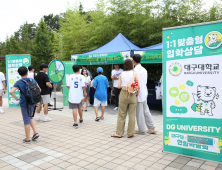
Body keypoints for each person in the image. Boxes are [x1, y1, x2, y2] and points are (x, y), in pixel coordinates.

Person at [10, 66, 40, 143]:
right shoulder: (32, 80)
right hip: (33, 101)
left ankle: (27, 139)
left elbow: (11, 92)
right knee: (30, 116)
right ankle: (35, 132)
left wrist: (17, 99)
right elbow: (39, 89)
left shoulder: (19, 82)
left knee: (26, 120)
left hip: (24, 103)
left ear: (19, 74)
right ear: (27, 72)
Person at [111, 59, 140, 138]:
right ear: (131, 65)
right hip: (132, 94)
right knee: (132, 114)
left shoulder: (121, 74)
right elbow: (138, 86)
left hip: (123, 93)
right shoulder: (134, 74)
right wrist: (137, 95)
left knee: (121, 114)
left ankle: (119, 133)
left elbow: (119, 86)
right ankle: (130, 133)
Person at [132, 54, 156, 134]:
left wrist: (135, 93)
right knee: (146, 110)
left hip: (139, 92)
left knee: (139, 112)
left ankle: (141, 130)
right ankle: (151, 126)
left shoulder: (135, 70)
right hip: (144, 91)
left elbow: (136, 83)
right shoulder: (144, 69)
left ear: (134, 61)